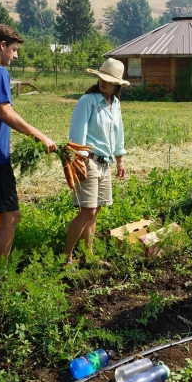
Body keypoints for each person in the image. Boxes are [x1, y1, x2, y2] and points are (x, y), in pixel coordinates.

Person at [0, 25, 57, 275]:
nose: (15, 56)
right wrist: (39, 135)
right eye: (14, 50)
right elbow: (5, 112)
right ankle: (2, 273)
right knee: (12, 215)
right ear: (2, 45)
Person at [63, 58, 129, 268]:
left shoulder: (115, 104)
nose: (103, 82)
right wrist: (78, 160)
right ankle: (66, 258)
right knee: (87, 211)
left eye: (108, 80)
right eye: (101, 77)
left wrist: (119, 160)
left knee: (96, 210)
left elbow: (118, 133)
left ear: (117, 84)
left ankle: (88, 257)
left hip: (105, 163)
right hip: (88, 161)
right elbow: (77, 134)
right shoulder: (88, 101)